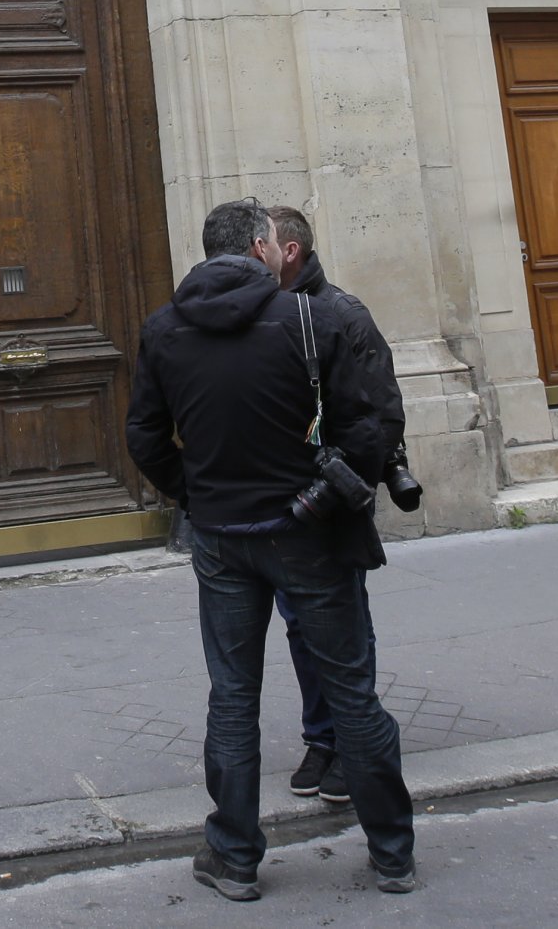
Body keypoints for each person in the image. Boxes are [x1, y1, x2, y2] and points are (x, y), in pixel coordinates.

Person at [126, 199, 416, 901]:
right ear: (264, 247)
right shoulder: (312, 318)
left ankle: (233, 856)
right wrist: (320, 496)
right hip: (307, 532)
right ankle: (392, 853)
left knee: (232, 697)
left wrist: (194, 494)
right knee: (351, 689)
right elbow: (370, 423)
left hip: (223, 538)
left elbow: (144, 436)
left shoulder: (164, 329)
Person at [266, 203, 351, 807]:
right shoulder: (268, 319)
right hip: (285, 506)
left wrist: (329, 492)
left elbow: (377, 419)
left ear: (286, 250)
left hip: (328, 505)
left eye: (259, 245)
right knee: (300, 628)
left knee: (344, 629)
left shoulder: (340, 315)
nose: (254, 257)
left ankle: (352, 744)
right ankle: (323, 737)